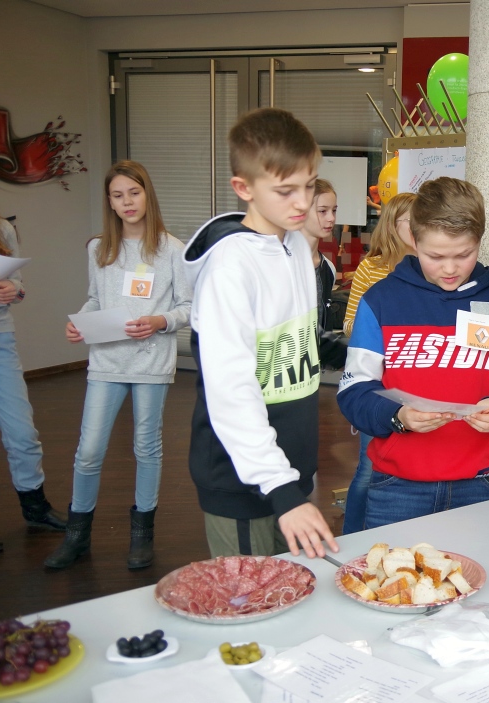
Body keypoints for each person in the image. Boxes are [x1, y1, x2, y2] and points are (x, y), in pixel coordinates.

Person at [337, 177, 489, 529]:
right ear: (413, 241)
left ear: (479, 241)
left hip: (480, 483)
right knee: (394, 582)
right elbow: (353, 391)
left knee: (478, 580)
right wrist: (397, 415)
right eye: (436, 256)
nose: (450, 268)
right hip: (397, 486)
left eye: (463, 254)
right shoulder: (381, 302)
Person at [183, 107, 339, 560]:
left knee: (290, 593)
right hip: (241, 478)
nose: (302, 203)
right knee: (249, 602)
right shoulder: (230, 268)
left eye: (309, 186)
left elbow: (297, 344)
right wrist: (280, 487)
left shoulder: (294, 246)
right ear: (243, 188)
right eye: (285, 190)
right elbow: (232, 389)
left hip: (288, 471)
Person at [46, 161, 192, 570]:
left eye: (134, 192)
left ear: (148, 194)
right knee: (88, 451)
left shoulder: (172, 249)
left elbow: (189, 308)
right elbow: (96, 299)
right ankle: (77, 536)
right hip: (106, 360)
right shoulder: (99, 249)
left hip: (151, 362)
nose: (127, 202)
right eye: (117, 195)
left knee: (147, 449)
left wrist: (160, 321)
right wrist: (78, 321)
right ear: (109, 201)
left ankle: (142, 535)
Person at [339, 192, 416, 535]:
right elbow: (349, 323)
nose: (419, 227)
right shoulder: (373, 267)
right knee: (369, 469)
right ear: (392, 224)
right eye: (411, 221)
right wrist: (388, 327)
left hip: (419, 385)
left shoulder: (432, 266)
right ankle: (353, 537)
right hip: (378, 387)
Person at [0, 211, 66, 548]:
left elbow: (21, 288)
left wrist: (13, 289)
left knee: (22, 433)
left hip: (1, 340)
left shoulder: (3, 228)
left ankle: (35, 508)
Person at [297, 178, 346, 369]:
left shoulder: (327, 268)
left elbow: (318, 331)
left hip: (310, 374)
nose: (331, 218)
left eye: (334, 210)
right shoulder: (281, 264)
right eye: (322, 211)